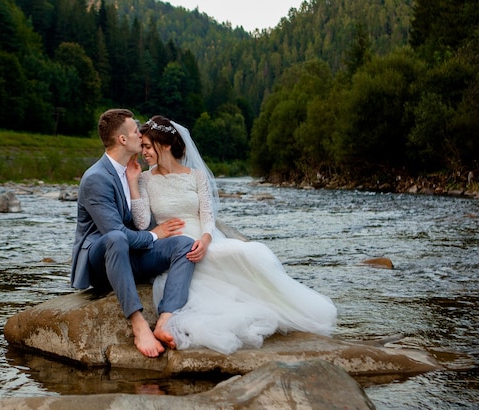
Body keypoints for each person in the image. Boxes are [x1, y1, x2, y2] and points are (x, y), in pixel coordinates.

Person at [126, 115, 337, 355]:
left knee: (250, 251)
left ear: (164, 145)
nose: (143, 152)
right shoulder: (144, 179)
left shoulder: (196, 176)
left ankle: (290, 308)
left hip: (205, 242)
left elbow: (207, 215)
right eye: (141, 146)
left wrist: (205, 240)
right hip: (174, 249)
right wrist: (133, 183)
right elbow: (142, 223)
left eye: (146, 146)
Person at [70, 109, 197, 358]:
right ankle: (138, 324)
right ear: (123, 140)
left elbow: (141, 222)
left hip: (131, 254)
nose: (141, 134)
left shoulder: (133, 172)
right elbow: (116, 232)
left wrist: (134, 183)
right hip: (102, 261)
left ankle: (165, 320)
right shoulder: (96, 178)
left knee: (185, 244)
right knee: (117, 238)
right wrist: (155, 235)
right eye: (136, 130)